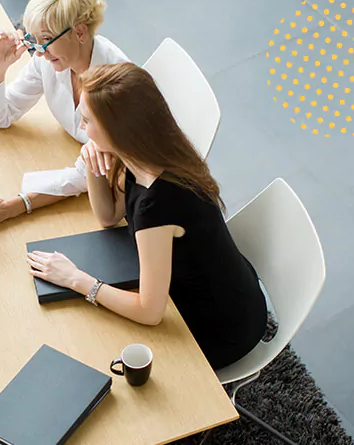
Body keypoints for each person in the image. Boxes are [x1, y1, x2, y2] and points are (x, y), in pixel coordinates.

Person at [25, 63, 268, 370]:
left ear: (117, 129)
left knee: (90, 344)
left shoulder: (158, 203)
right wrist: (92, 164)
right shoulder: (150, 154)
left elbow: (151, 312)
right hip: (229, 290)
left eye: (87, 120)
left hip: (219, 329)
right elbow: (108, 216)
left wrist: (77, 280)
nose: (81, 125)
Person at [0, 0, 129, 228]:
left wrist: (14, 205)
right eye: (33, 40)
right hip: (79, 160)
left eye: (45, 39)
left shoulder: (114, 88)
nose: (40, 51)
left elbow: (86, 175)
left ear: (79, 32)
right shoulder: (50, 59)